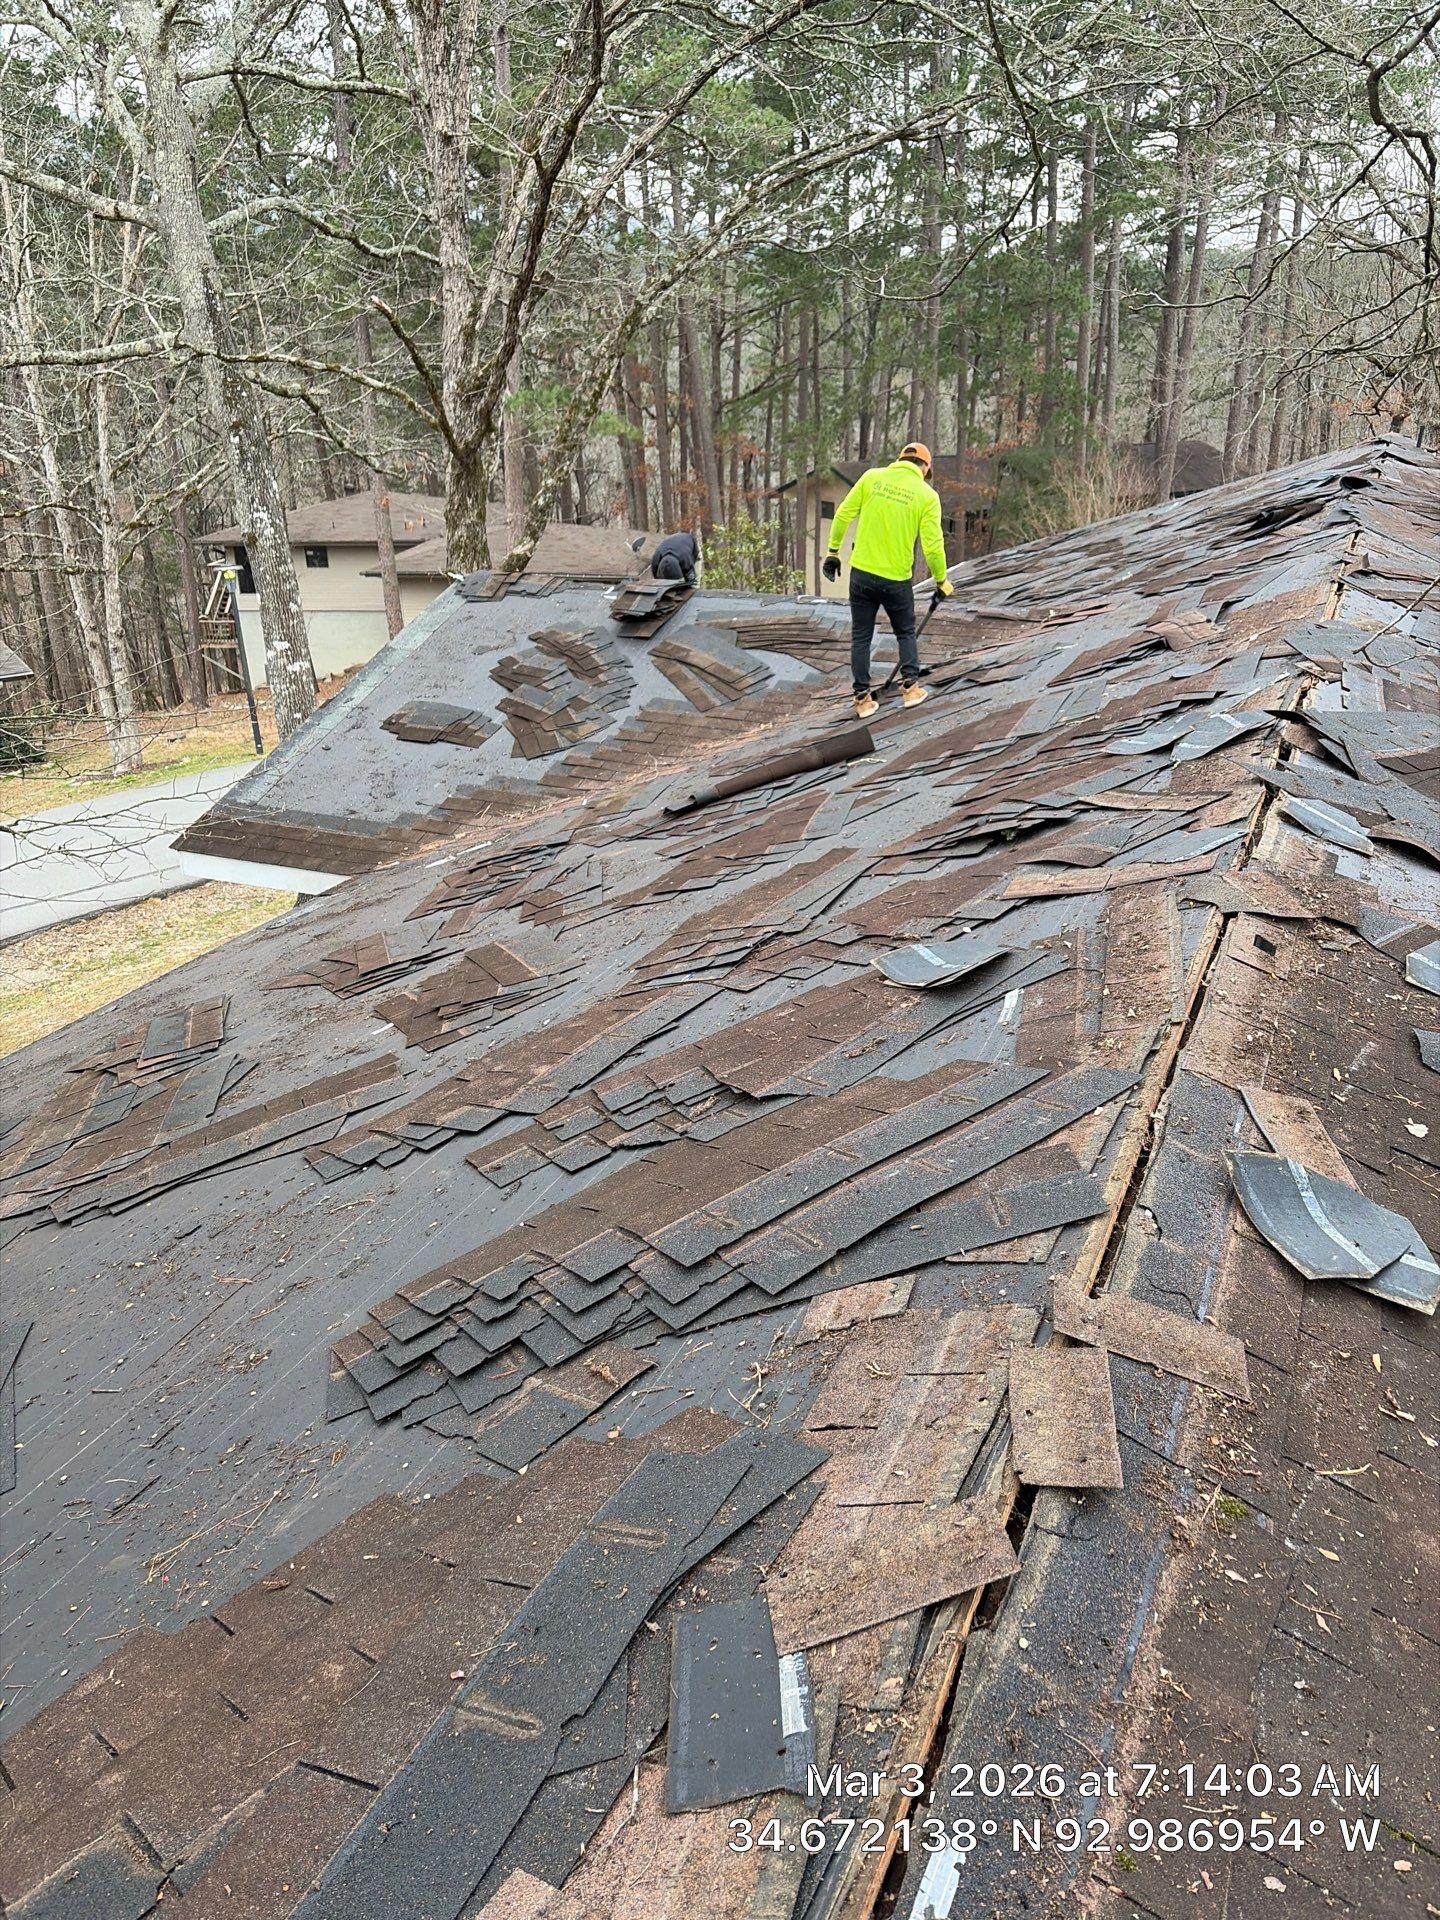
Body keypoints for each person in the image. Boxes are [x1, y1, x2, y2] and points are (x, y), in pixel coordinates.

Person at [822, 442, 954, 717]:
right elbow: (932, 546)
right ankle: (911, 690)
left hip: (862, 574)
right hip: (895, 579)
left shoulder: (872, 478)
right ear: (926, 468)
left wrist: (833, 551)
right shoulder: (926, 496)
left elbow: (843, 513)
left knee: (861, 636)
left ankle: (862, 700)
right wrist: (941, 580)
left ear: (900, 460)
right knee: (905, 631)